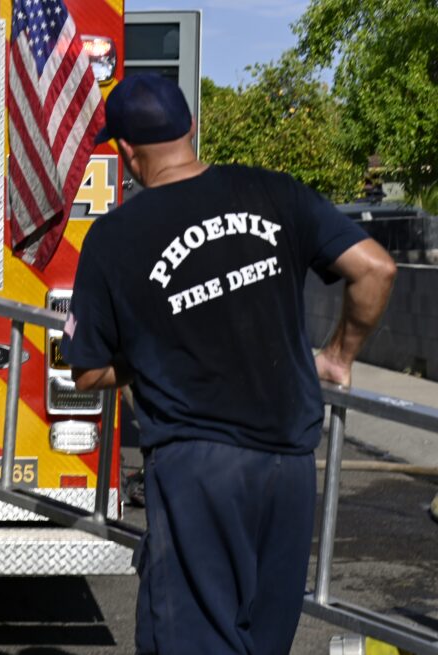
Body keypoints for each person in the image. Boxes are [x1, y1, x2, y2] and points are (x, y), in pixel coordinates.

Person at [60, 74, 396, 655]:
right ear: (191, 128)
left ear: (126, 151)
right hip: (289, 464)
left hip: (198, 471)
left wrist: (151, 353)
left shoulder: (114, 238)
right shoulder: (273, 191)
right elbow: (376, 269)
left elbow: (88, 371)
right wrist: (337, 356)